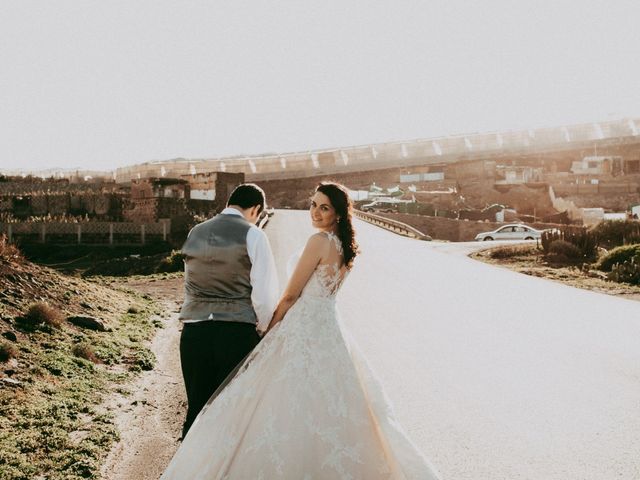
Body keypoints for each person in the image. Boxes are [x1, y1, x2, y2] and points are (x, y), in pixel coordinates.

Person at [162, 181, 440, 479]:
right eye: (314, 205)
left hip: (292, 325)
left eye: (324, 208)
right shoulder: (346, 248)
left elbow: (289, 296)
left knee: (262, 403)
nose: (316, 213)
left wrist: (267, 330)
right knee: (330, 403)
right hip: (328, 328)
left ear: (338, 214)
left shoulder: (318, 241)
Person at [177, 183, 279, 437]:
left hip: (193, 333)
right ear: (256, 209)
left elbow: (189, 282)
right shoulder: (254, 235)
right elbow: (264, 295)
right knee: (231, 414)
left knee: (196, 411)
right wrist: (263, 330)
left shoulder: (195, 232)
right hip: (235, 333)